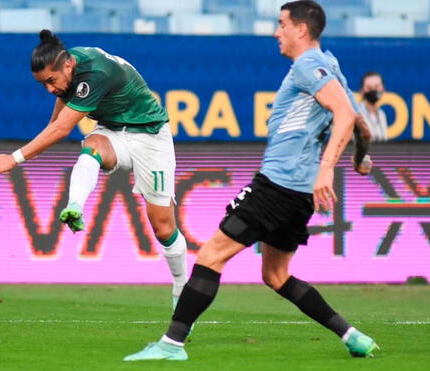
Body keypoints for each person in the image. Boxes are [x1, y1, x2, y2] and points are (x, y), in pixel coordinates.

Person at [123, 0, 377, 362]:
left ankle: (172, 344)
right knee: (276, 275)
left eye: (282, 24)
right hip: (300, 195)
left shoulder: (309, 64)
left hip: (278, 186)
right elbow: (358, 122)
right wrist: (359, 156)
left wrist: (327, 169)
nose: (277, 32)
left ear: (301, 29)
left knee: (212, 254)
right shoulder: (331, 66)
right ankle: (352, 336)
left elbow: (345, 113)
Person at [0, 30, 188, 307]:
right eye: (43, 84)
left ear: (67, 66)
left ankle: (181, 287)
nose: (50, 89)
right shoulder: (70, 66)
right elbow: (58, 117)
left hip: (150, 136)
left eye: (51, 81)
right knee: (91, 145)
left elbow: (61, 127)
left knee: (163, 228)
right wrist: (42, 144)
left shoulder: (96, 72)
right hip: (113, 133)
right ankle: (75, 206)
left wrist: (16, 157)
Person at [359, 71, 387, 141]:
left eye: (377, 87)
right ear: (361, 91)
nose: (373, 90)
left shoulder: (381, 114)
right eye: (369, 88)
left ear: (383, 89)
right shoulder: (356, 114)